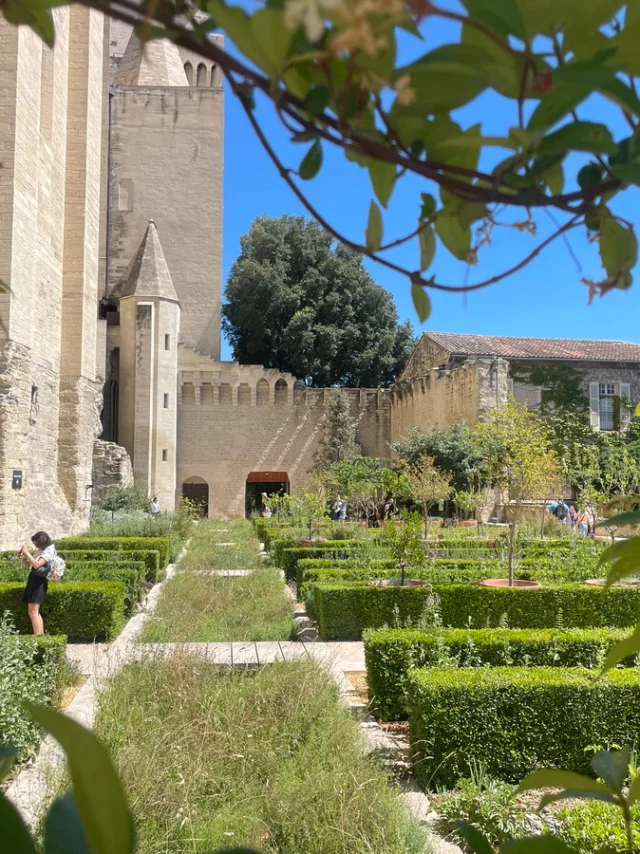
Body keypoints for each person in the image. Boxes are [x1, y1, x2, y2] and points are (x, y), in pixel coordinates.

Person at [20, 531, 56, 636]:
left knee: (33, 612)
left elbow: (37, 565)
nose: (35, 546)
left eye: (36, 543)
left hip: (39, 582)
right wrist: (21, 558)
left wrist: (27, 552)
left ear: (42, 542)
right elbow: (29, 565)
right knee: (34, 612)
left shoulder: (49, 551)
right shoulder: (41, 550)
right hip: (34, 580)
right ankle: (40, 636)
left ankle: (38, 638)